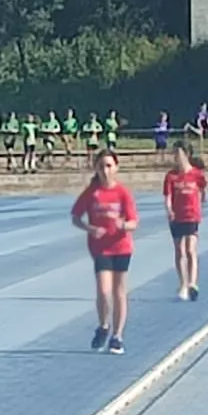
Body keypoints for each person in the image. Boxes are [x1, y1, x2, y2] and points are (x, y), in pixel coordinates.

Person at [71, 149, 137, 355]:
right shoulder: (92, 193)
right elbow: (75, 217)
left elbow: (134, 221)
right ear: (96, 169)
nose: (105, 171)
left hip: (121, 246)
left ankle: (117, 336)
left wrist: (123, 225)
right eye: (101, 167)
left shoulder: (123, 193)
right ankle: (103, 325)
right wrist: (91, 229)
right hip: (101, 247)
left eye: (109, 166)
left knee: (119, 291)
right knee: (103, 290)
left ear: (116, 168)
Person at [164, 142, 207, 302]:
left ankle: (192, 283)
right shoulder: (171, 176)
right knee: (179, 251)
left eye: (178, 154)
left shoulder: (196, 174)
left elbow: (203, 189)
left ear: (186, 155)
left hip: (191, 216)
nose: (176, 158)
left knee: (190, 249)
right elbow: (168, 196)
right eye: (174, 154)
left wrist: (200, 201)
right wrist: (169, 210)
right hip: (177, 217)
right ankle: (182, 284)